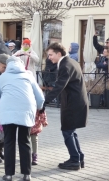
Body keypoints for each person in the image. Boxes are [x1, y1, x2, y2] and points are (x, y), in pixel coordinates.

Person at [0, 56, 45, 181]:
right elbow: (41, 98)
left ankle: (9, 174)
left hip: (8, 112)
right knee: (25, 141)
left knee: (9, 142)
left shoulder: (3, 77)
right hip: (26, 112)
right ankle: (27, 175)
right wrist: (39, 107)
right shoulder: (29, 76)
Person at [45, 42, 88, 170]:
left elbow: (59, 86)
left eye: (51, 54)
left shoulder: (65, 65)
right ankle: (78, 157)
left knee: (67, 131)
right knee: (71, 131)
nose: (49, 57)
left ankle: (75, 160)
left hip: (73, 104)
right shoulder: (71, 62)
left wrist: (44, 101)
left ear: (59, 53)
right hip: (76, 102)